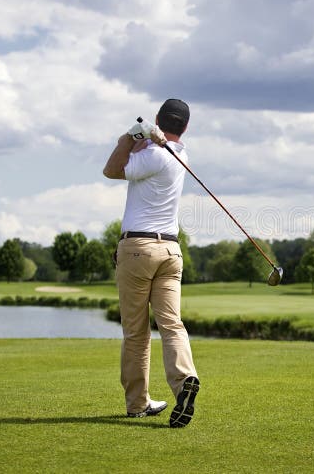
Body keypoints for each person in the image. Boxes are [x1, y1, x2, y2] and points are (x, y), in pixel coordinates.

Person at [103, 98, 199, 428]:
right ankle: (185, 378)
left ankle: (137, 404)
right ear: (185, 127)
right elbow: (151, 147)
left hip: (137, 249)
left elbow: (112, 169)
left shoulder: (154, 155)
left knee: (136, 333)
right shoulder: (180, 155)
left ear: (159, 119)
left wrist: (132, 134)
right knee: (172, 324)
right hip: (170, 252)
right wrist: (148, 135)